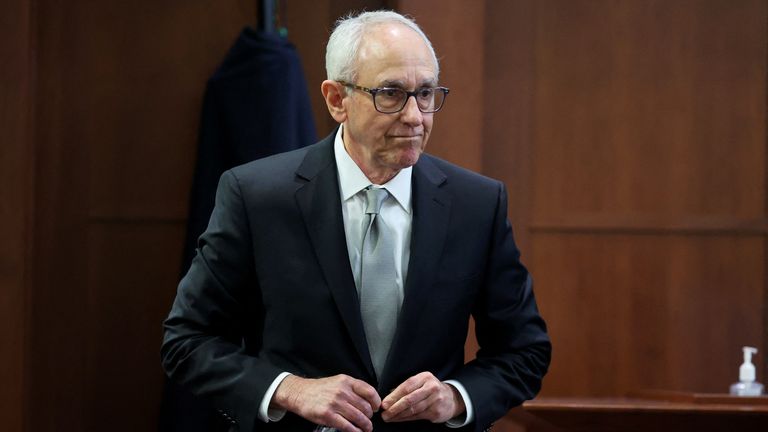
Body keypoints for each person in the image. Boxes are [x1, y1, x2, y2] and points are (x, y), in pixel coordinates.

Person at [161, 10, 551, 432]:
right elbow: (188, 341)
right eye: (390, 93)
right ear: (336, 100)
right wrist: (289, 389)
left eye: (425, 94)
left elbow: (524, 352)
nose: (415, 117)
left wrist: (455, 397)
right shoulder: (256, 195)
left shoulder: (477, 204)